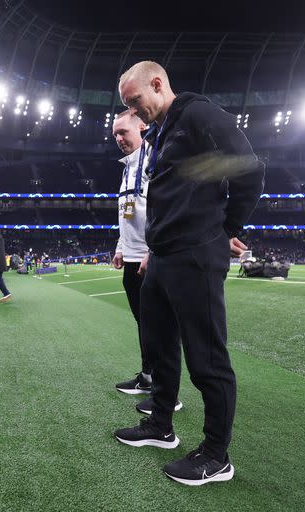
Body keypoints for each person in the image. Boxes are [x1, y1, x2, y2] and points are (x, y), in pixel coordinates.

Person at [112, 61, 264, 486]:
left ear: (157, 84)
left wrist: (227, 230)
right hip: (161, 257)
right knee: (159, 346)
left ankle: (217, 456)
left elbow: (250, 169)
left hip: (196, 254)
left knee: (207, 359)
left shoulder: (198, 114)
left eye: (135, 101)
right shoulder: (161, 132)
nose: (134, 110)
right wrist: (151, 249)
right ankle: (161, 425)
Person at [111, 111, 183, 415]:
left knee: (161, 327)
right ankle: (148, 376)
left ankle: (169, 394)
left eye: (123, 132)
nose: (118, 139)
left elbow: (164, 207)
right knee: (144, 324)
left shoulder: (154, 159)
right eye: (115, 134)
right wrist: (119, 247)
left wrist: (150, 251)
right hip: (130, 256)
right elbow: (129, 212)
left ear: (142, 126)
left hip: (150, 257)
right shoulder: (127, 167)